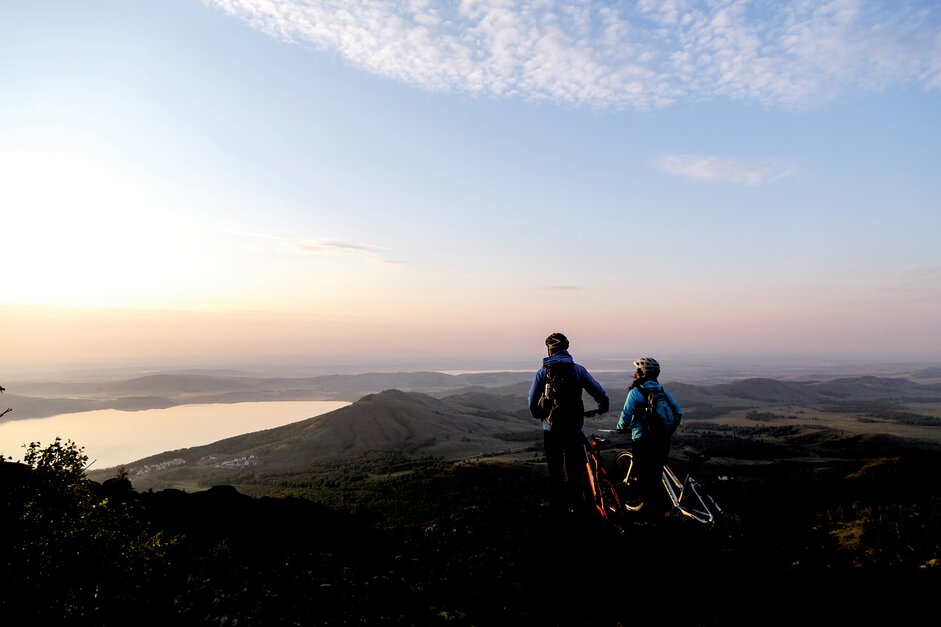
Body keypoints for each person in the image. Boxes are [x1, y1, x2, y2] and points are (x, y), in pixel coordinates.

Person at [528, 332, 609, 512]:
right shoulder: (578, 370)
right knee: (574, 468)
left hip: (551, 427)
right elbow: (598, 391)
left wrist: (538, 414)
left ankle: (559, 506)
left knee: (555, 469)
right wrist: (603, 405)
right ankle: (578, 504)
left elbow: (531, 400)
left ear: (550, 350)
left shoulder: (543, 373)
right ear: (566, 349)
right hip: (574, 427)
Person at [616, 356, 683, 521]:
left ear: (641, 373)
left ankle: (646, 516)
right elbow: (679, 412)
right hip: (662, 440)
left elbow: (626, 415)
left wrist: (621, 427)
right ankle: (657, 510)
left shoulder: (636, 393)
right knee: (656, 474)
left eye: (636, 370)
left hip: (643, 440)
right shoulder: (662, 391)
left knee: (643, 477)